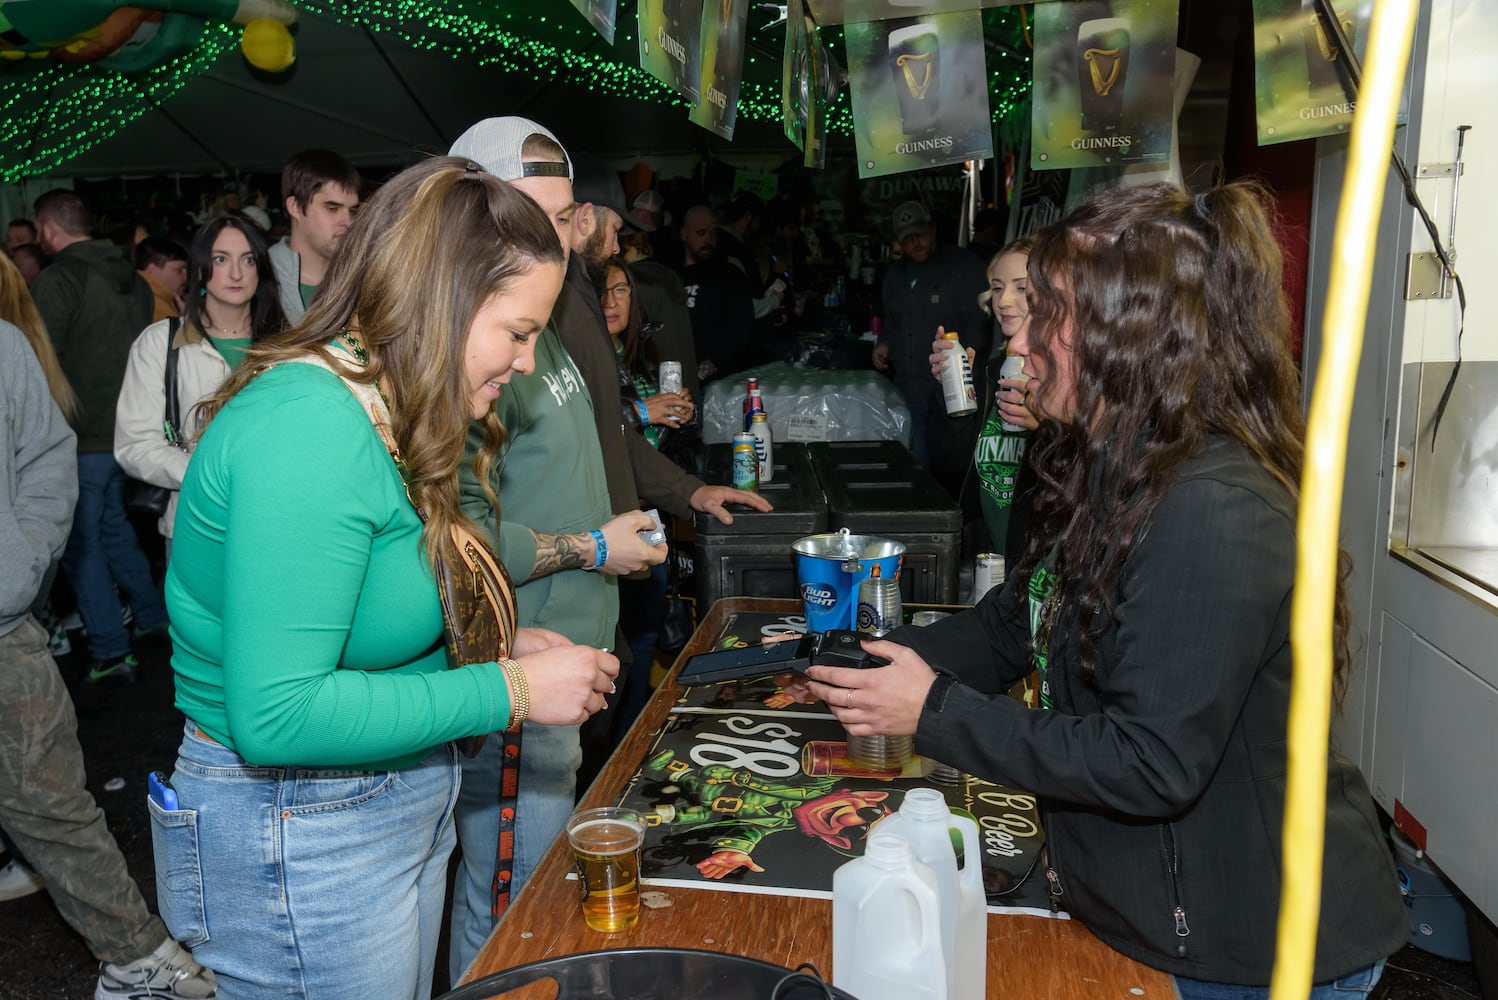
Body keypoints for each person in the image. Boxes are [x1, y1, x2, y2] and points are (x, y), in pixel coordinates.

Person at [793, 183, 1408, 997]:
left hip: (1243, 948)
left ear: (1126, 335)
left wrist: (932, 711)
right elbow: (1016, 624)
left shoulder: (1214, 507)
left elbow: (1151, 761)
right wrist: (866, 659)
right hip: (1138, 913)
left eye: (1043, 318)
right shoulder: (1102, 462)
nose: (1016, 348)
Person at [160, 157, 617, 1000]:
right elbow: (279, 714)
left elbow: (372, 589)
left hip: (385, 799)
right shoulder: (308, 428)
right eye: (517, 332)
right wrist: (509, 690)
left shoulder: (402, 400)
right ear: (442, 299)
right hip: (296, 825)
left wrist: (488, 635)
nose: (525, 361)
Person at [445, 117, 666, 982]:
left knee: (529, 901)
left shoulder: (544, 318)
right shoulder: (471, 344)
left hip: (563, 662)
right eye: (528, 216)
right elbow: (451, 537)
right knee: (508, 912)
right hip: (512, 670)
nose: (556, 237)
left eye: (565, 215)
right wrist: (589, 546)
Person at [0, 317, 218, 999]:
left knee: (49, 799)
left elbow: (43, 453)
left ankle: (136, 954)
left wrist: (17, 566)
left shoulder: (4, 344)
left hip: (2, 627)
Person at [30, 188, 168, 684]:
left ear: (47, 230)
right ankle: (152, 618)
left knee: (82, 544)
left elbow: (40, 365)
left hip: (80, 435)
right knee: (115, 530)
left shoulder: (59, 279)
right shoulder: (132, 280)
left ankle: (110, 648)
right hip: (128, 430)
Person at [116, 216, 287, 554]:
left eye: (248, 260)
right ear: (199, 271)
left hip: (277, 523)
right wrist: (211, 476)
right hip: (196, 524)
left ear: (260, 270)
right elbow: (134, 445)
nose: (236, 273)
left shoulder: (286, 346)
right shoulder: (161, 343)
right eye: (221, 259)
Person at [600, 256, 692, 735]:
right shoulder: (584, 360)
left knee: (644, 636)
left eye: (622, 291)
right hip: (613, 517)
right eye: (603, 290)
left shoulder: (637, 355)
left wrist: (672, 414)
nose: (612, 301)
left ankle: (631, 742)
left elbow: (645, 440)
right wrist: (641, 410)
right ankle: (614, 755)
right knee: (624, 648)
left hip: (649, 511)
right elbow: (599, 430)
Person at [929, 237, 1041, 565]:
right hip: (990, 559)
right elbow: (953, 471)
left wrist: (1044, 427)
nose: (1004, 300)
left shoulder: (1072, 381)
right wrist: (953, 396)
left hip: (1040, 565)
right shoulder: (992, 371)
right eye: (996, 287)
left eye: (1021, 288)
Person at [873, 200, 988, 468]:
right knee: (916, 460)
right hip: (910, 385)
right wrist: (885, 343)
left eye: (920, 233)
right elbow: (893, 321)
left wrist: (966, 371)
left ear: (933, 229)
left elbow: (980, 322)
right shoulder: (893, 275)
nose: (915, 242)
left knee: (950, 462)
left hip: (953, 388)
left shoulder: (964, 266)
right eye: (907, 238)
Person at [267, 148, 361, 323]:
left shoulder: (361, 278)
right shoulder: (259, 278)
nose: (347, 221)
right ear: (295, 207)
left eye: (353, 210)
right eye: (332, 208)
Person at [135, 236, 190, 322]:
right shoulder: (157, 309)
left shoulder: (139, 295)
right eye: (179, 270)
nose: (186, 277)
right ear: (152, 270)